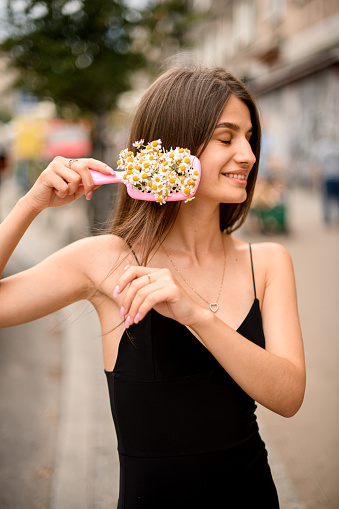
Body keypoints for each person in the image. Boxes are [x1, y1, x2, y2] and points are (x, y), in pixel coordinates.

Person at [0, 67, 305, 508]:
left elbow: (289, 395)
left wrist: (195, 313)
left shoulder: (269, 262)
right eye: (226, 138)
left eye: (249, 138)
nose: (248, 155)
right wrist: (31, 205)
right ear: (174, 149)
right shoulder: (105, 261)